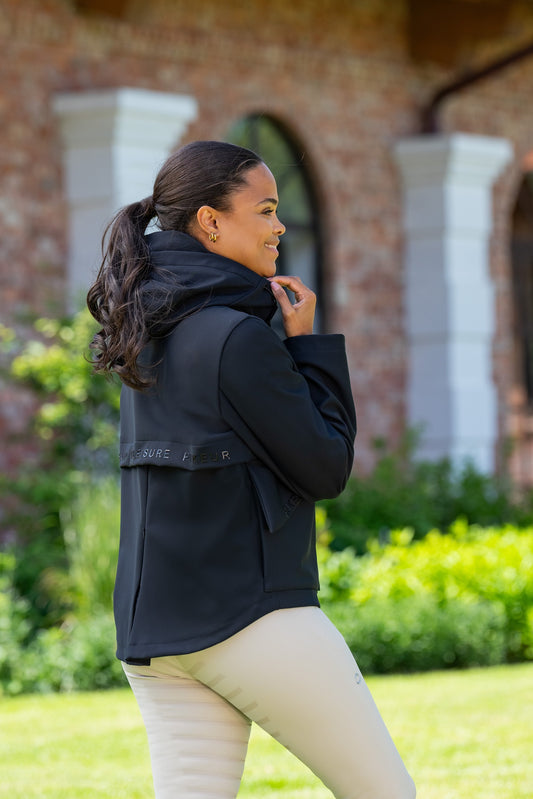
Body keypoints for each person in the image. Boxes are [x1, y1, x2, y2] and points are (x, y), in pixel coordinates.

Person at [87, 140, 415, 799]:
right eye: (264, 209)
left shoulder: (143, 331)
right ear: (210, 222)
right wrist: (309, 349)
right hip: (251, 616)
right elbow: (325, 466)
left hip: (154, 628)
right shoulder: (236, 336)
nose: (280, 226)